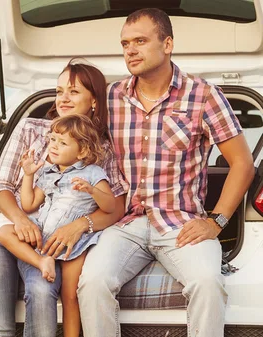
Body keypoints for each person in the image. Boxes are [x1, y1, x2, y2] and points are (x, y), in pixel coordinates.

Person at [77, 8, 255, 337]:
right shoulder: (112, 97)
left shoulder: (202, 95)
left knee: (207, 282)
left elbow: (242, 164)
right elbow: (78, 139)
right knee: (91, 283)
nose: (130, 50)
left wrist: (216, 221)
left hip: (181, 224)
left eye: (140, 41)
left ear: (168, 44)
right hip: (126, 224)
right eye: (125, 43)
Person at [0, 59, 129, 337]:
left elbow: (116, 207)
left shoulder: (102, 149)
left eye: (74, 91)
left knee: (42, 291)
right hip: (0, 231)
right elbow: (1, 184)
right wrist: (20, 219)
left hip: (45, 240)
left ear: (94, 101)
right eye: (59, 91)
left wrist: (79, 226)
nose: (63, 98)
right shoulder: (31, 128)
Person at [0, 114, 116, 337]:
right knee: (4, 232)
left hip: (74, 245)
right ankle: (42, 261)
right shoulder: (47, 172)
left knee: (71, 295)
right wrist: (28, 175)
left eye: (63, 143)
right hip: (43, 233)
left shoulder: (93, 173)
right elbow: (29, 203)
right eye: (52, 140)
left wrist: (92, 191)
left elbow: (110, 206)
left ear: (82, 151)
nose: (54, 146)